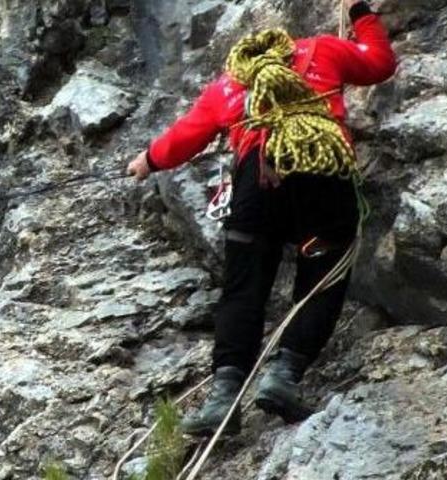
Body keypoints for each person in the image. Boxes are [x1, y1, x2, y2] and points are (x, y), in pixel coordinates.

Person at [127, 0, 396, 436]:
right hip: (320, 171)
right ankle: (283, 374)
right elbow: (380, 63)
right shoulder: (324, 50)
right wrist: (362, 14)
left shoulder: (229, 86)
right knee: (323, 271)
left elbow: (187, 135)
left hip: (257, 181)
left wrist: (148, 161)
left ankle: (223, 396)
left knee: (243, 286)